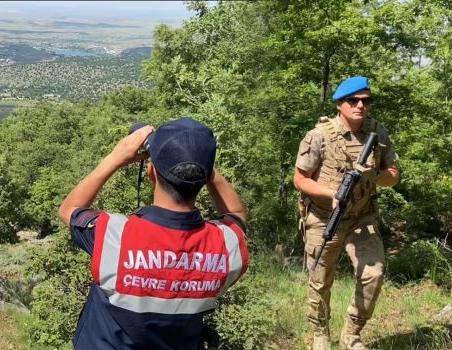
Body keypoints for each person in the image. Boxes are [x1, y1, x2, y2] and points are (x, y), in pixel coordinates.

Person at [58, 117, 249, 350]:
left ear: (151, 172)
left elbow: (69, 209)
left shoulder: (115, 236)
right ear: (206, 177)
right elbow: (236, 214)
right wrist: (198, 159)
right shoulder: (226, 246)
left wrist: (115, 158)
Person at [293, 76, 400, 350]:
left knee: (373, 274)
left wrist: (374, 175)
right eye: (353, 100)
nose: (360, 106)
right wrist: (332, 194)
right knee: (319, 279)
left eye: (366, 101)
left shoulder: (378, 134)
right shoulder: (319, 136)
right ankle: (320, 333)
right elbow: (300, 179)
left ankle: (352, 335)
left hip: (362, 218)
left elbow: (393, 176)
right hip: (323, 217)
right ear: (340, 104)